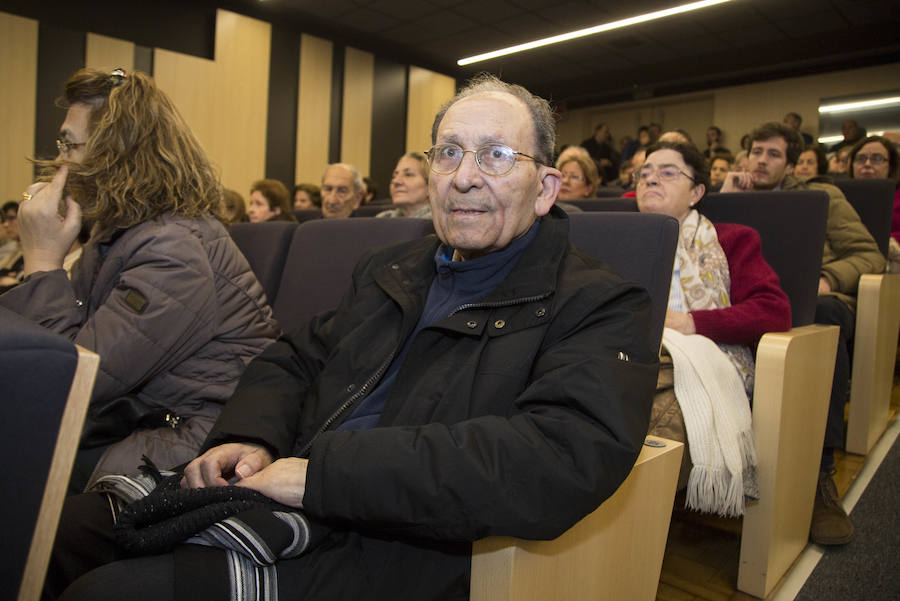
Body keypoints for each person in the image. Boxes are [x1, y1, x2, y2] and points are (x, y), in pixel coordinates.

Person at [46, 73, 659, 601]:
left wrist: (322, 477)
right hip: (283, 491)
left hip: (406, 545)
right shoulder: (393, 269)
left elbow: (555, 458)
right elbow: (292, 357)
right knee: (49, 535)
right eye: (448, 153)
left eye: (496, 155)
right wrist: (249, 437)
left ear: (546, 188)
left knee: (108, 593)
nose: (464, 177)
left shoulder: (598, 304)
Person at [0, 68, 280, 491]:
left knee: (15, 468)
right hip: (132, 415)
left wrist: (41, 260)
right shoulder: (121, 233)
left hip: (190, 439)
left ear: (112, 155)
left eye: (70, 145)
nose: (61, 160)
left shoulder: (172, 251)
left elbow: (72, 380)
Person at [719, 121, 885, 544]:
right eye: (756, 151)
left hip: (816, 300)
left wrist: (827, 277)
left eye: (773, 154)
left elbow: (868, 253)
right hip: (754, 301)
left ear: (791, 163)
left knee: (823, 314)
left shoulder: (822, 195)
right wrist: (723, 200)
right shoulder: (734, 194)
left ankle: (819, 476)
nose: (761, 160)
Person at [636, 141, 791, 515]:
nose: (651, 179)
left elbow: (774, 312)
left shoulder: (732, 239)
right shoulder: (622, 237)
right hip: (627, 351)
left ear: (697, 192)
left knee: (650, 427)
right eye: (644, 173)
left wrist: (692, 322)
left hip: (691, 355)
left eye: (668, 172)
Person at [847, 135, 900, 270]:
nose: (867, 164)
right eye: (861, 159)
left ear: (891, 166)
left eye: (876, 159)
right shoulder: (839, 195)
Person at [376, 152, 431, 218]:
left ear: (430, 187)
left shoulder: (440, 225)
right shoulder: (382, 219)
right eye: (394, 176)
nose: (396, 181)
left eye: (408, 175)